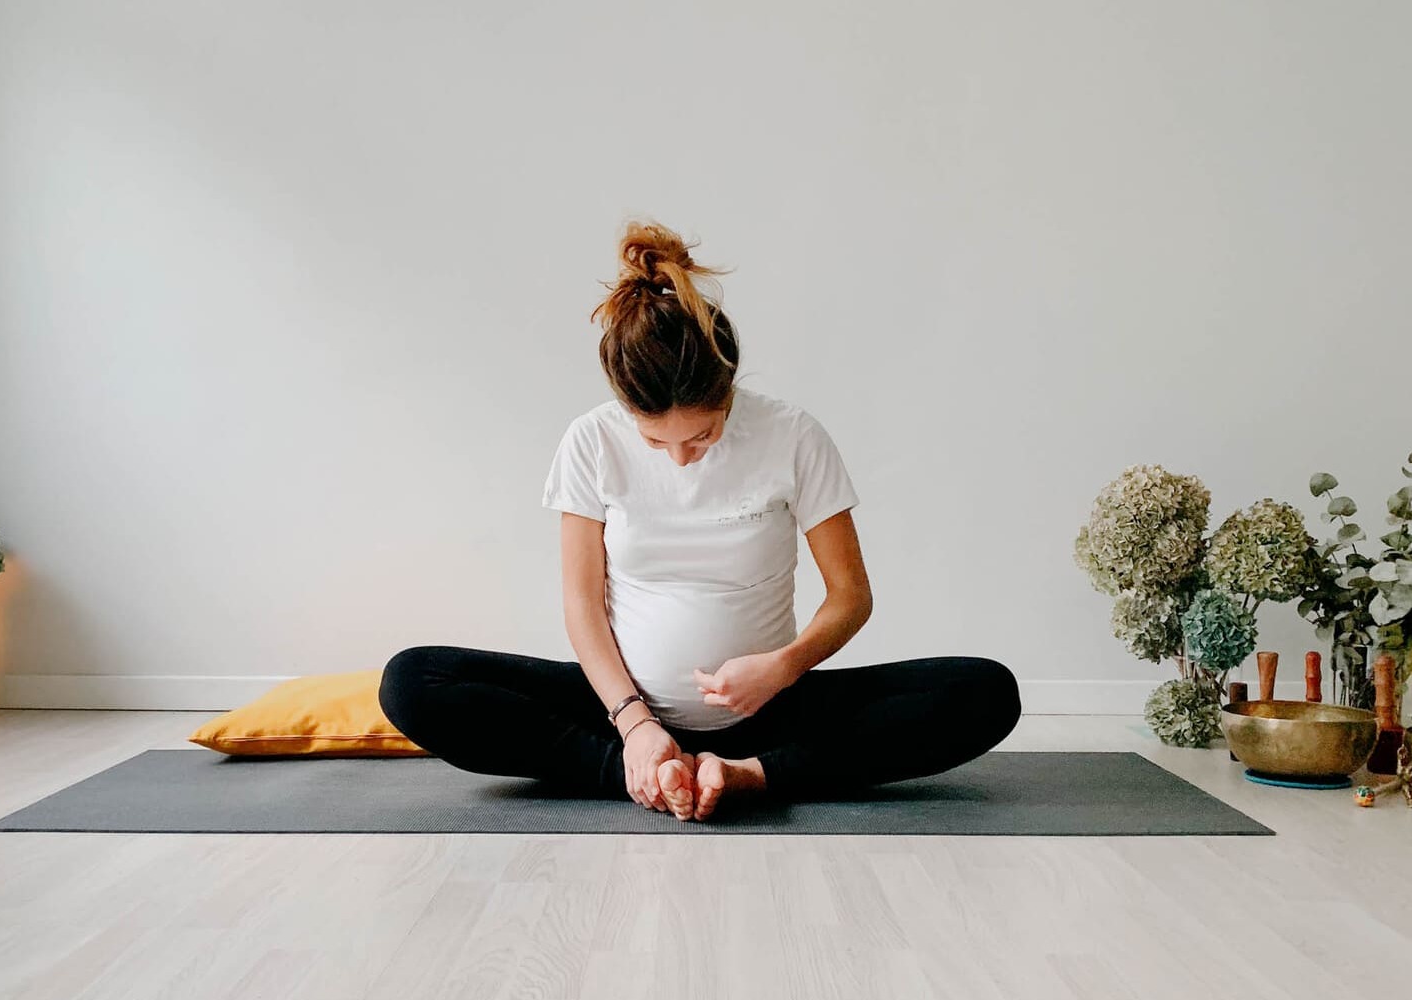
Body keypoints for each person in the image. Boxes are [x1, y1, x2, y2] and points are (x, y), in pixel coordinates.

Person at [379, 219, 1021, 822]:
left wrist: (784, 666)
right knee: (411, 681)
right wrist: (634, 727)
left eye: (704, 435)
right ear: (626, 408)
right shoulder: (591, 441)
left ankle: (750, 774)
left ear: (729, 390)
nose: (683, 458)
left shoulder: (793, 435)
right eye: (659, 444)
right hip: (622, 709)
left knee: (985, 692)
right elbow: (582, 605)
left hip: (772, 709)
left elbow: (851, 598)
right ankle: (639, 772)